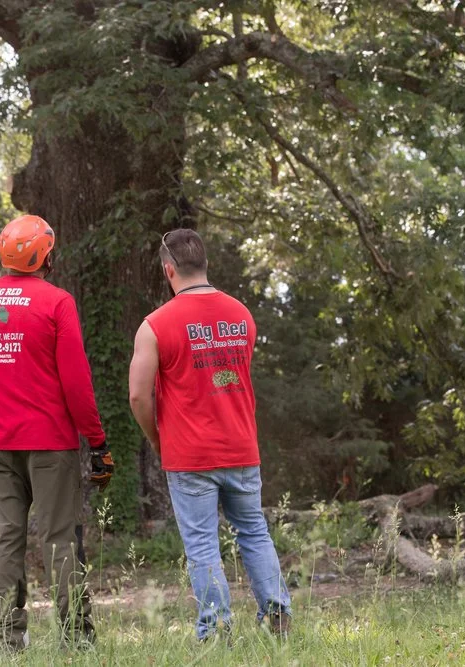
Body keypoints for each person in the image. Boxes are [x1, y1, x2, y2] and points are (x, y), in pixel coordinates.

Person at [127, 228, 291, 641]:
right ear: (205, 265)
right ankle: (278, 616)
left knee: (202, 546)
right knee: (254, 532)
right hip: (241, 446)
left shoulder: (155, 325)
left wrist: (156, 437)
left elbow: (137, 396)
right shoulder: (241, 314)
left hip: (189, 455)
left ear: (169, 270)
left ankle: (216, 629)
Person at [0, 214, 115, 651]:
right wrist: (98, 441)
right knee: (59, 539)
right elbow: (76, 382)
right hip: (50, 444)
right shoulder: (57, 303)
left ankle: (4, 636)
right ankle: (75, 639)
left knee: (6, 537)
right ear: (47, 256)